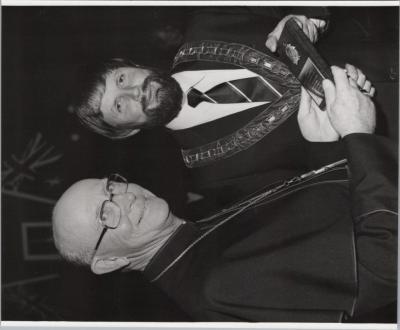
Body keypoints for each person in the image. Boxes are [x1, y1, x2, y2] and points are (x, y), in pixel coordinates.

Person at [55, 66, 396, 322]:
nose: (124, 199)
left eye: (110, 187)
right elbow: (384, 264)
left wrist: (324, 148)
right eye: (105, 213)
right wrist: (358, 135)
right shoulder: (214, 289)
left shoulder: (196, 237)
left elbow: (334, 226)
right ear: (109, 262)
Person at [73, 7, 350, 207]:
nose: (135, 91)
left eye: (122, 79)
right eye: (120, 105)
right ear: (126, 132)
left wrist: (309, 16)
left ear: (134, 65)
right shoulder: (215, 178)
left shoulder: (211, 20)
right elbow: (324, 195)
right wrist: (327, 145)